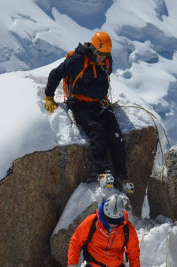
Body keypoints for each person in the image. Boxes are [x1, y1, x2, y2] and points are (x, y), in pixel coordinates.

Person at [44, 31, 132, 195]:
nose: (102, 57)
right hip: (79, 104)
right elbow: (55, 74)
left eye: (105, 54)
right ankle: (104, 172)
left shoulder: (106, 60)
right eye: (100, 54)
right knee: (96, 131)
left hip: (99, 103)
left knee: (115, 133)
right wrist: (49, 96)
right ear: (93, 48)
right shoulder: (78, 60)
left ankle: (122, 176)